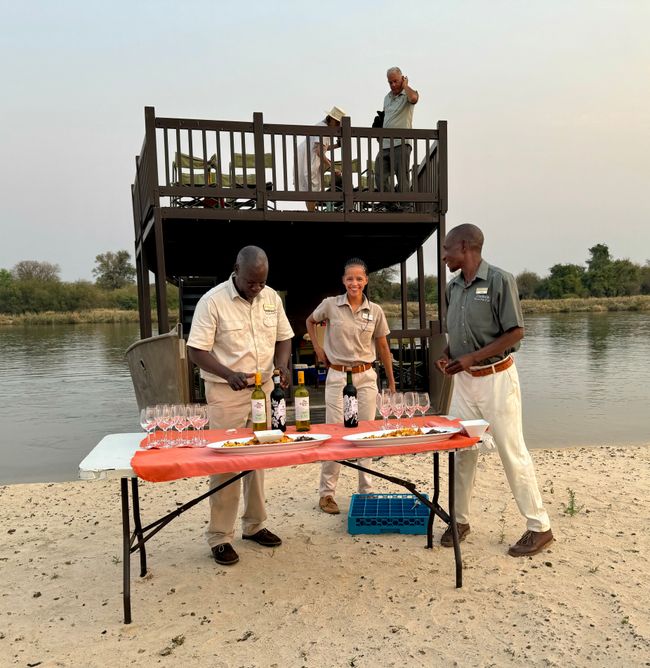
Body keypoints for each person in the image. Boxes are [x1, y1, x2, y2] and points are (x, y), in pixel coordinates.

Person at [435, 224, 554, 557]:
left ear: (464, 246)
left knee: (512, 452)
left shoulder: (501, 280)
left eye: (447, 249)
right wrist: (448, 356)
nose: (444, 256)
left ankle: (539, 527)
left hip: (497, 380)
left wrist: (473, 356)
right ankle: (459, 521)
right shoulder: (452, 287)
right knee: (460, 452)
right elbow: (456, 334)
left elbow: (516, 332)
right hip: (464, 384)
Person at [187, 246, 294, 565]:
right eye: (251, 282)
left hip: (264, 388)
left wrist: (283, 365)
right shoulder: (212, 301)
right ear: (236, 269)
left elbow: (284, 337)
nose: (256, 288)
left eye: (262, 282)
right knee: (227, 464)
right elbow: (197, 350)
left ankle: (254, 525)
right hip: (227, 391)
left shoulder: (271, 298)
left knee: (259, 458)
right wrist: (228, 373)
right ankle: (220, 536)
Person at [306, 258, 396, 514]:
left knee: (365, 434)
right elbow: (310, 322)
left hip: (365, 376)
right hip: (337, 376)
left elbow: (383, 347)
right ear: (343, 280)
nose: (354, 283)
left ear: (366, 280)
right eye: (349, 278)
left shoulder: (376, 311)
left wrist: (390, 382)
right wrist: (317, 347)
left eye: (359, 278)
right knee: (335, 433)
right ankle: (327, 494)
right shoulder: (330, 305)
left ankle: (366, 492)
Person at [374, 67, 419, 207]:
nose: (393, 85)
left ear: (402, 79)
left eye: (396, 81)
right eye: (390, 82)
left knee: (402, 175)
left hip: (401, 142)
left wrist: (405, 85)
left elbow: (414, 98)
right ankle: (389, 204)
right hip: (386, 143)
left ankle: (405, 205)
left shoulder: (408, 94)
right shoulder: (386, 98)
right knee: (380, 173)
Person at [296, 105, 347, 211]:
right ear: (331, 119)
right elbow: (319, 152)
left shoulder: (323, 126)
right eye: (337, 123)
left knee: (311, 188)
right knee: (313, 187)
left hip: (308, 156)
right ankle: (311, 213)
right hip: (310, 159)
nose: (337, 126)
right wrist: (332, 167)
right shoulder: (324, 129)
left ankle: (311, 211)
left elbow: (323, 148)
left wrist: (337, 145)